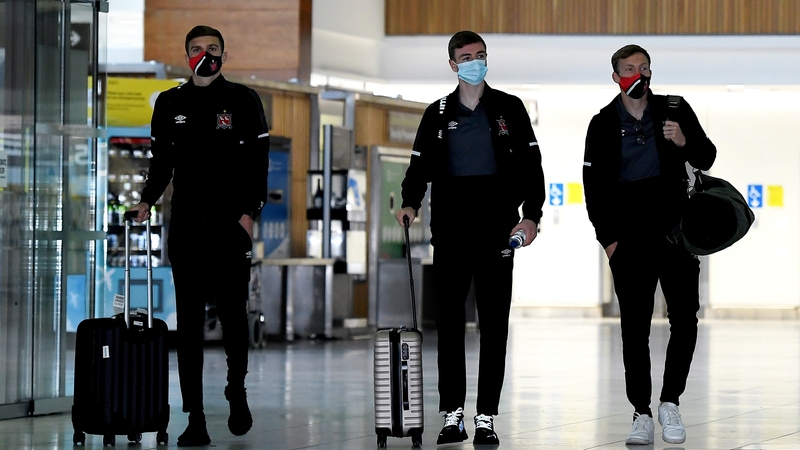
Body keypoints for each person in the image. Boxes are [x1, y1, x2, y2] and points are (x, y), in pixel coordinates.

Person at [395, 30, 545, 446]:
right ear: (453, 65)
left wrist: (531, 216)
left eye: (480, 55)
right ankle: (453, 413)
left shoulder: (509, 108)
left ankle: (486, 416)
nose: (475, 61)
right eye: (466, 56)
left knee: (494, 324)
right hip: (451, 229)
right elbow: (419, 166)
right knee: (449, 323)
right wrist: (411, 203)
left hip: (497, 227)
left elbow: (533, 167)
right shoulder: (437, 112)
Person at [128, 25, 270, 447]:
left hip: (231, 226)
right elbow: (162, 164)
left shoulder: (243, 100)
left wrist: (249, 213)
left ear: (224, 54)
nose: (204, 55)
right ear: (186, 55)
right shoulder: (171, 103)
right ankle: (195, 417)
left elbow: (257, 163)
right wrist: (146, 201)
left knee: (232, 316)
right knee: (188, 325)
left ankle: (236, 390)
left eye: (212, 49)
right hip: (187, 226)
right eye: (196, 49)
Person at [582, 44, 716, 445]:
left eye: (644, 67)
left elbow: (707, 157)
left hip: (676, 235)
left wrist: (683, 142)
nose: (638, 74)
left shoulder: (675, 109)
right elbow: (593, 188)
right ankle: (640, 412)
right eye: (629, 69)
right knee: (633, 329)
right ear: (616, 77)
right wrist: (608, 241)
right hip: (629, 242)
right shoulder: (602, 122)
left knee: (685, 320)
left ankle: (669, 402)